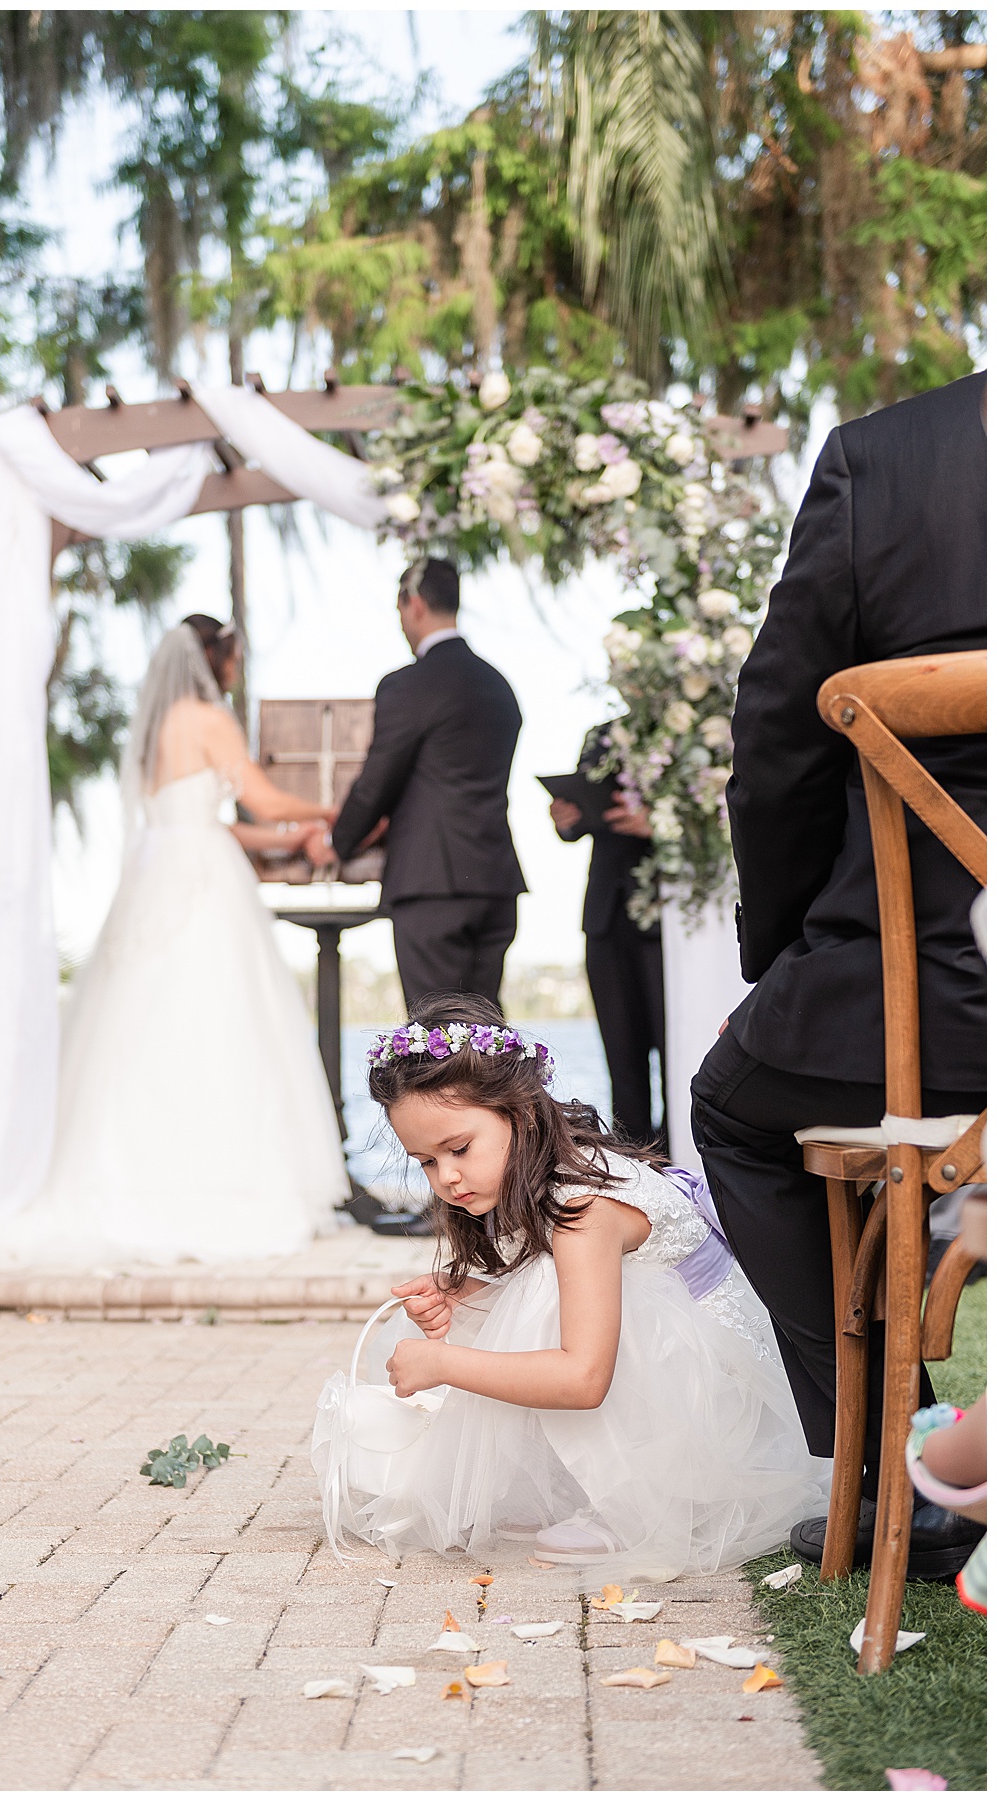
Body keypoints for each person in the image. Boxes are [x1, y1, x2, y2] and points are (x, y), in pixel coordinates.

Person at [691, 368, 986, 1582]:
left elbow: (777, 745)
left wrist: (793, 953)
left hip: (938, 1000)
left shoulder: (890, 461)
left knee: (737, 1106)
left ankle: (898, 1470)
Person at [0, 615, 349, 1268]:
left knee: (140, 1018)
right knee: (214, 1016)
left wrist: (287, 840)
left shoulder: (156, 728)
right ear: (216, 658)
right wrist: (334, 812)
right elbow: (265, 801)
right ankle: (216, 1180)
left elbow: (205, 821)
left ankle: (125, 1170)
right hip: (201, 880)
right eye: (235, 658)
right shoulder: (209, 717)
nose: (237, 670)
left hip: (160, 867)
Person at [313, 995, 825, 1581]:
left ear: (523, 1113)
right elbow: (552, 1295)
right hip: (689, 1369)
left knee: (507, 1329)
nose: (446, 1177)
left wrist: (445, 1364)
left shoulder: (581, 1208)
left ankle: (641, 1500)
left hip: (725, 1408)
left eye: (458, 1149)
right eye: (425, 1162)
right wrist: (472, 1298)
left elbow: (583, 1380)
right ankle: (603, 1482)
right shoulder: (553, 1175)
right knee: (504, 1302)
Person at [332, 558, 526, 1014]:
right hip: (494, 881)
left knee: (435, 1036)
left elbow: (377, 781)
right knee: (485, 1039)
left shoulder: (408, 685)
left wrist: (336, 841)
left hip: (431, 883)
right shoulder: (500, 686)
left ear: (413, 604)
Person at [548, 723, 665, 1149]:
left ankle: (687, 1167)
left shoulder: (693, 726)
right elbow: (574, 816)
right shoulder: (600, 735)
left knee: (680, 1053)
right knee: (621, 1058)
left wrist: (661, 824)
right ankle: (636, 1165)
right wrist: (564, 819)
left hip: (667, 917)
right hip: (604, 916)